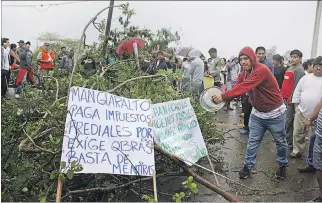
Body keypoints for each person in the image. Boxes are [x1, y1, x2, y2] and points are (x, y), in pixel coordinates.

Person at [212, 46, 288, 179]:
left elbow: (244, 87)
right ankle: (247, 166)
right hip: (258, 113)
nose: (243, 62)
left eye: (246, 58)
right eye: (241, 59)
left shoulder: (262, 70)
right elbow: (237, 88)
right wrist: (223, 97)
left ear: (252, 58)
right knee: (252, 141)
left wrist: (223, 97)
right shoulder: (244, 73)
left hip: (275, 113)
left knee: (281, 142)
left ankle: (282, 165)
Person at [291, 56, 322, 158]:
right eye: (317, 65)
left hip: (319, 116)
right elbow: (297, 92)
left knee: (315, 137)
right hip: (302, 111)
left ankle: (312, 157)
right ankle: (297, 150)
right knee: (298, 133)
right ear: (313, 66)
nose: (319, 68)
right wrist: (296, 106)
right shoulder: (305, 78)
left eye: (321, 66)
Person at [282, 50, 306, 149]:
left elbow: (297, 87)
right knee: (287, 121)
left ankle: (289, 143)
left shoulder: (299, 70)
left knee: (289, 121)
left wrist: (291, 100)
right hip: (287, 98)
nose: (292, 59)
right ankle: (287, 140)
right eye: (291, 57)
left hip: (292, 101)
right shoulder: (291, 68)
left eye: (295, 57)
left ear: (300, 58)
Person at [299, 98, 322, 173]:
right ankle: (312, 165)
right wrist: (310, 119)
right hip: (319, 130)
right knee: (312, 140)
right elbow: (319, 105)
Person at [1, 38, 11, 102]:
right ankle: (2, 98)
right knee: (3, 85)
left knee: (4, 85)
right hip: (3, 70)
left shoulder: (5, 49)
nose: (8, 43)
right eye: (7, 42)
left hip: (5, 69)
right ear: (3, 43)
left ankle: (3, 97)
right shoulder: (1, 50)